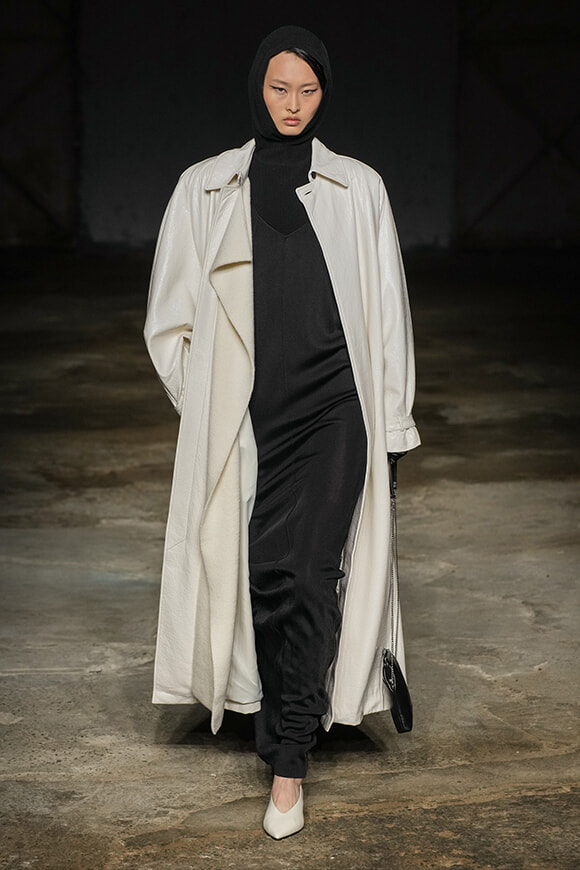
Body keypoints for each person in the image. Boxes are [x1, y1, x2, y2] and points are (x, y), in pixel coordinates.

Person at [144, 24, 420, 840]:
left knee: (306, 573)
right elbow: (169, 323)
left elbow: (390, 316)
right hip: (249, 417)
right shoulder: (204, 188)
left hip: (336, 408)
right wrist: (209, 402)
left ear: (324, 93)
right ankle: (283, 710)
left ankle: (289, 764)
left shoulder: (358, 187)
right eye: (278, 88)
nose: (292, 105)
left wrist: (391, 425)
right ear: (257, 89)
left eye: (307, 90)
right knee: (264, 575)